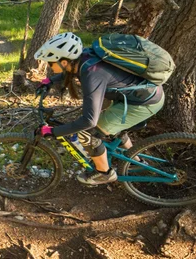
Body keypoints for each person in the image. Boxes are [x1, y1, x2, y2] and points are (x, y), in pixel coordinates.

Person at [34, 32, 166, 185]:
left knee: (87, 133)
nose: (49, 65)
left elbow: (89, 121)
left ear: (64, 62)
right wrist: (50, 81)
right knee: (107, 126)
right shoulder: (85, 57)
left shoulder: (92, 75)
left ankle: (104, 173)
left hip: (143, 104)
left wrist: (53, 132)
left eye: (50, 62)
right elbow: (71, 71)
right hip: (141, 95)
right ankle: (136, 161)